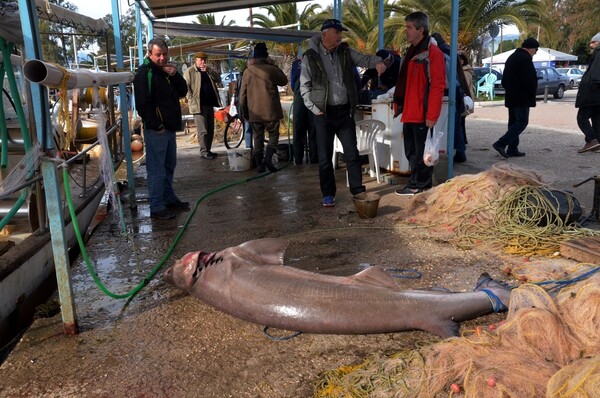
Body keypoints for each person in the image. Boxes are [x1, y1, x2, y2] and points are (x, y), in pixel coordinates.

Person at [300, 18, 390, 207]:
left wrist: (379, 62)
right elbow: (304, 86)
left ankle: (357, 190)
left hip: (344, 112)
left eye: (341, 33)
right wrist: (315, 109)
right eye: (337, 32)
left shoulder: (345, 51)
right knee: (325, 158)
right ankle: (328, 194)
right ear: (325, 35)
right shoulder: (311, 56)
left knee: (352, 154)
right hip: (323, 114)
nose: (341, 36)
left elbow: (365, 59)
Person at [133, 36, 190, 220]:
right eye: (158, 55)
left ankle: (168, 198)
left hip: (170, 128)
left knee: (169, 165)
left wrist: (175, 75)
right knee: (156, 169)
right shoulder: (144, 74)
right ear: (150, 54)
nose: (162, 58)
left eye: (165, 54)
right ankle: (156, 206)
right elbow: (142, 105)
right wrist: (156, 125)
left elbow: (182, 91)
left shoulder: (166, 71)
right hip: (157, 130)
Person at [392, 12, 446, 195]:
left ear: (420, 30)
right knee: (412, 151)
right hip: (410, 111)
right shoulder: (412, 52)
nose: (405, 31)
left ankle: (420, 185)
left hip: (422, 113)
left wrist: (432, 115)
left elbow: (438, 86)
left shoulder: (432, 53)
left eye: (408, 27)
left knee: (423, 153)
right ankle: (415, 182)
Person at [239, 43, 288, 173]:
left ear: (254, 57)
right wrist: (274, 65)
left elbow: (242, 96)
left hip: (254, 112)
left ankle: (259, 164)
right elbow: (284, 81)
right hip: (271, 111)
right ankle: (268, 158)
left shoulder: (247, 72)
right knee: (273, 135)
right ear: (266, 56)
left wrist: (245, 113)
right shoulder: (271, 69)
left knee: (257, 137)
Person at [492, 38, 539, 159]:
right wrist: (531, 92)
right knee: (522, 121)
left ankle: (513, 149)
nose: (536, 52)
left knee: (513, 122)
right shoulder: (525, 59)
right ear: (531, 48)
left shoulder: (512, 57)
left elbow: (504, 80)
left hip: (511, 96)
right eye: (536, 50)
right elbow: (529, 80)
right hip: (522, 97)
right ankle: (501, 143)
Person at [431, 32, 470, 163]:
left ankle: (457, 152)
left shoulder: (440, 55)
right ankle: (460, 152)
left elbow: (443, 79)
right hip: (456, 90)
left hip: (451, 92)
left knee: (452, 123)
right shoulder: (447, 53)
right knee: (456, 123)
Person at [183, 51, 222, 160]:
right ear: (196, 60)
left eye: (204, 60)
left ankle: (208, 150)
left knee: (210, 129)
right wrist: (192, 100)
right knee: (202, 130)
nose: (203, 62)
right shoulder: (190, 71)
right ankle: (204, 151)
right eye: (201, 60)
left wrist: (209, 70)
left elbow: (218, 79)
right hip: (198, 105)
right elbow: (186, 88)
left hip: (209, 104)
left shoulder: (208, 71)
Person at [575, 32, 600, 153]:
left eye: (593, 42)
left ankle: (592, 140)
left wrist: (591, 90)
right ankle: (597, 144)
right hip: (596, 95)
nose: (590, 45)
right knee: (596, 119)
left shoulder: (598, 54)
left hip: (592, 94)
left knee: (582, 118)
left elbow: (596, 75)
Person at [290, 57, 318, 165]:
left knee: (299, 129)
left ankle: (298, 159)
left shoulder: (297, 64)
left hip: (300, 97)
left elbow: (293, 83)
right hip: (313, 97)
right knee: (313, 129)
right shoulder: (317, 61)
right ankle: (314, 158)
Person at [459, 52, 475, 145]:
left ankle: (463, 141)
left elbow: (464, 86)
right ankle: (463, 140)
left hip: (464, 98)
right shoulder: (466, 71)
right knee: (462, 121)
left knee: (461, 121)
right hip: (467, 98)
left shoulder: (464, 72)